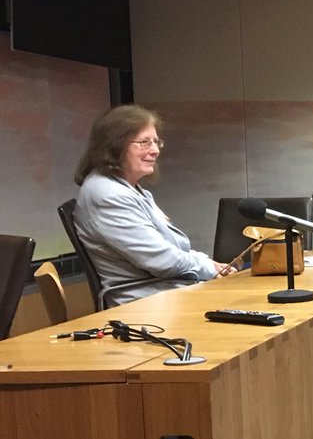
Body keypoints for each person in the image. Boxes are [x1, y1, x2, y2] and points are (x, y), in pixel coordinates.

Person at [73, 104, 228, 307]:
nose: (154, 151)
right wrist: (209, 268)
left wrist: (211, 264)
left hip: (165, 295)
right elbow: (163, 261)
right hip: (145, 306)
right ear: (115, 145)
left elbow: (170, 248)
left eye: (156, 142)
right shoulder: (108, 195)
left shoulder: (131, 189)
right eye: (144, 143)